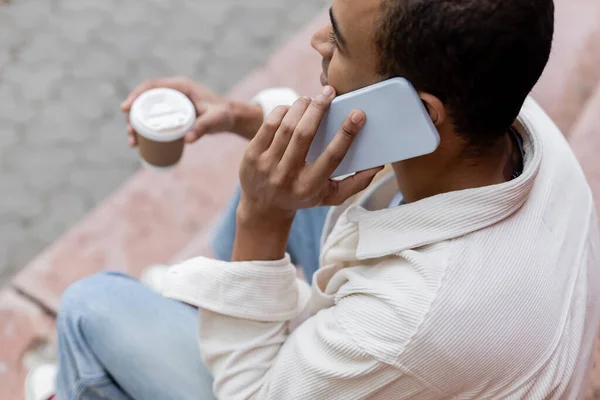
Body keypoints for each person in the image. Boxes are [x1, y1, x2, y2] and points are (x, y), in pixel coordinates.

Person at [25, 0, 600, 398]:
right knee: (278, 170)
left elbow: (253, 395)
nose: (316, 42)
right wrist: (249, 119)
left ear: (419, 113)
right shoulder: (497, 107)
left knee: (89, 311)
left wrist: (263, 220)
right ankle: (215, 311)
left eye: (339, 41)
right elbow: (360, 126)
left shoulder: (413, 321)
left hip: (381, 359)